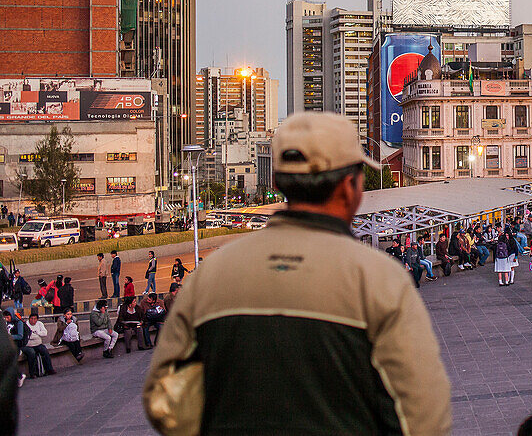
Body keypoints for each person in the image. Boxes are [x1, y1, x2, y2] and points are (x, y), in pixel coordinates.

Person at [143, 112, 451, 435]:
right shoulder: (381, 282)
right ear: (351, 187)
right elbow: (423, 418)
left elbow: (164, 401)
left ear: (277, 184)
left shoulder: (210, 277)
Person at [21, 311, 53, 378]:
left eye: (35, 319)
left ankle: (49, 369)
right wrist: (35, 335)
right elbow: (27, 336)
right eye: (31, 319)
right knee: (31, 353)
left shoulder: (40, 324)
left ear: (37, 319)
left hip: (38, 343)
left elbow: (45, 333)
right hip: (28, 345)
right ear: (29, 319)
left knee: (44, 351)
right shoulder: (25, 325)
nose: (33, 320)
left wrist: (37, 333)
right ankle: (33, 373)